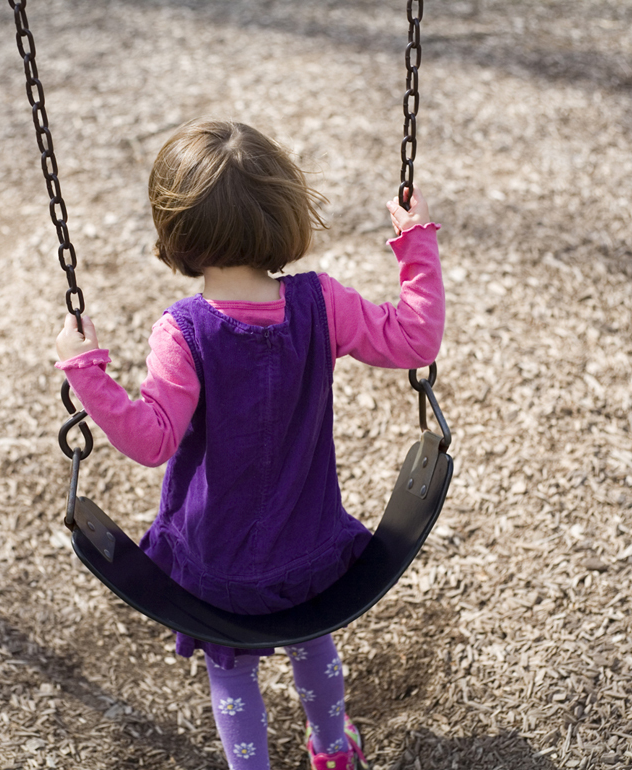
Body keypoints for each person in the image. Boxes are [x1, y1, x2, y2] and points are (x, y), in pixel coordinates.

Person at [55, 118, 445, 770]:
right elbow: (415, 339)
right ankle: (331, 749)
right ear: (281, 214)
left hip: (217, 571)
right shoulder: (322, 303)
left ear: (176, 235)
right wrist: (415, 242)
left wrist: (84, 370)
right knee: (313, 641)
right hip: (312, 553)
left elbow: (152, 441)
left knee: (231, 671)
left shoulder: (184, 332)